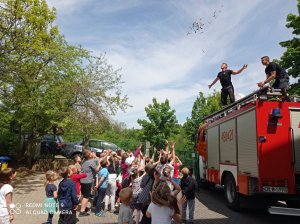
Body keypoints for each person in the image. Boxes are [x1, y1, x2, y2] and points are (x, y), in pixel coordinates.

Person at [79, 149, 101, 216]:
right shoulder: (91, 162)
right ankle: (82, 211)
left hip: (82, 180)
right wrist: (99, 164)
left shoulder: (84, 161)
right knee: (86, 196)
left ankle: (83, 207)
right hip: (87, 181)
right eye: (91, 153)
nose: (92, 153)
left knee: (83, 195)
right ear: (89, 155)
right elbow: (97, 170)